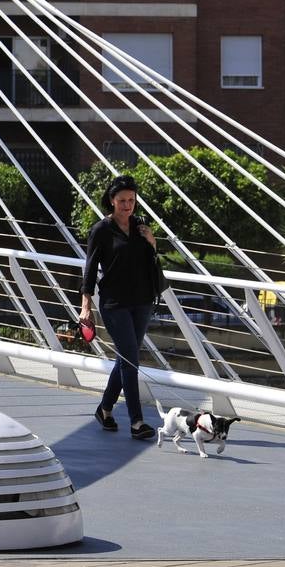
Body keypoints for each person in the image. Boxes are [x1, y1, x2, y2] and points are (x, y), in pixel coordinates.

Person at [79, 174, 161, 441]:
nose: (127, 205)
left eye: (132, 200)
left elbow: (151, 261)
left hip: (142, 301)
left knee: (126, 358)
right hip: (115, 304)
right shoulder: (101, 230)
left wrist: (152, 242)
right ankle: (137, 421)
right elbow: (90, 270)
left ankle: (104, 409)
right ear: (112, 201)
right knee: (131, 360)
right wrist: (86, 306)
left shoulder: (140, 227)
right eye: (122, 201)